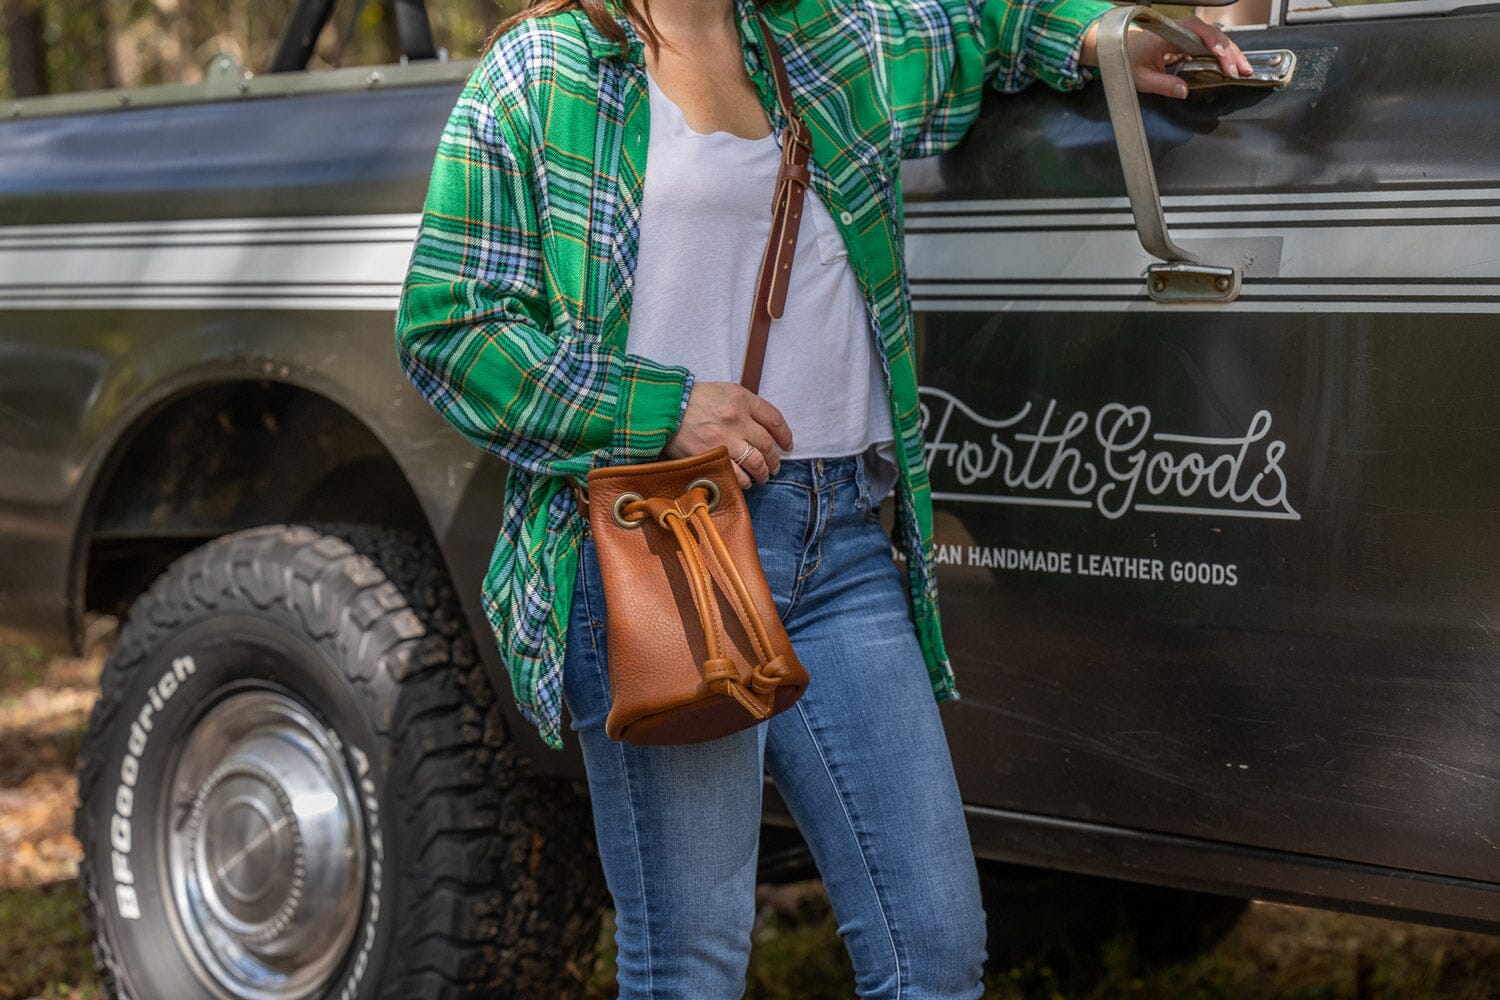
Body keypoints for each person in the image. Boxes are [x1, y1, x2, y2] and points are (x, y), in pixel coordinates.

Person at [394, 1, 1248, 996]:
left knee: (934, 949)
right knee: (691, 962)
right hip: (671, 551)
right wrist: (658, 408)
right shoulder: (546, 73)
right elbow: (448, 328)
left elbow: (981, 21)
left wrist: (1099, 37)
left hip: (841, 541)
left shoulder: (831, 37)